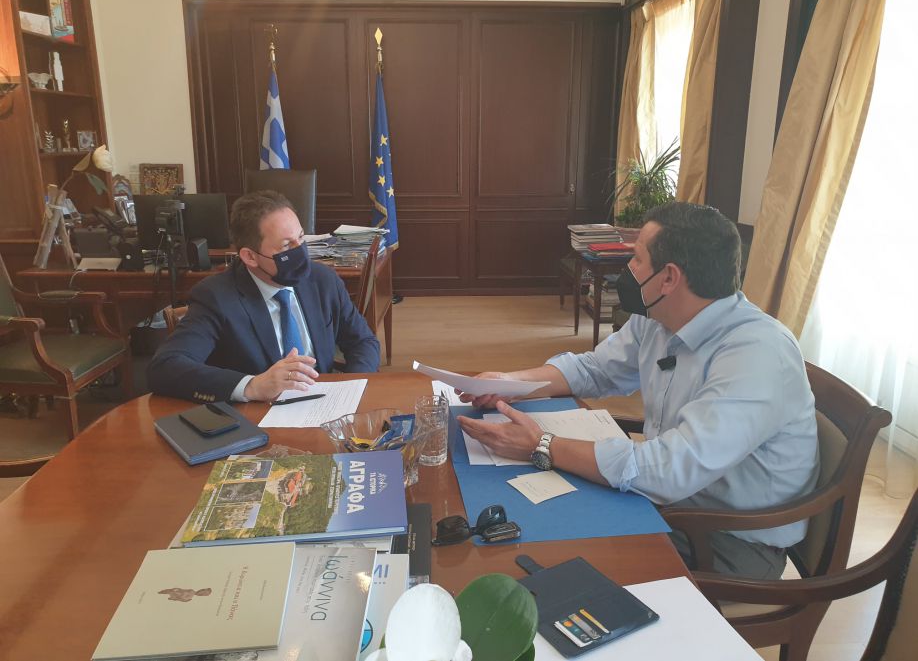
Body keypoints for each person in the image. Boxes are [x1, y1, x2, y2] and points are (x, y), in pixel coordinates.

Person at [458, 202, 818, 579]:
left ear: (669, 278)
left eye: (637, 259)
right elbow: (596, 369)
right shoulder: (660, 317)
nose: (628, 268)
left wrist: (542, 445)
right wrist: (510, 384)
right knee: (521, 523)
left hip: (727, 538)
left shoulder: (757, 355)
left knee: (547, 552)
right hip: (668, 502)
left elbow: (669, 470)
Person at [148, 190, 380, 403]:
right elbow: (165, 368)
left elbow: (363, 341)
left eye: (301, 238)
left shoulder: (323, 281)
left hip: (324, 406)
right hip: (257, 416)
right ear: (250, 257)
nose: (300, 251)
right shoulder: (216, 297)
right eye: (286, 246)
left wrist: (351, 387)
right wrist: (252, 386)